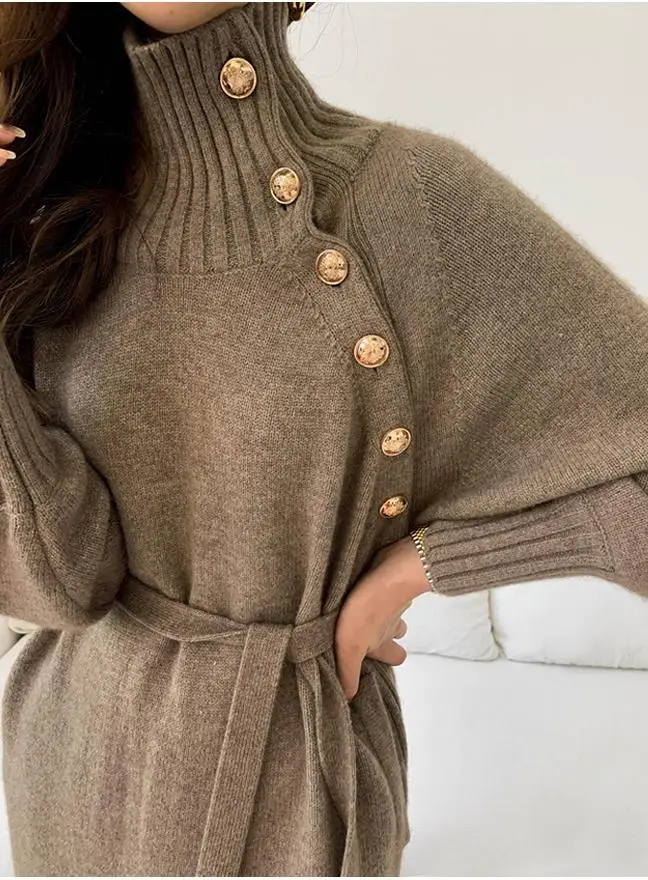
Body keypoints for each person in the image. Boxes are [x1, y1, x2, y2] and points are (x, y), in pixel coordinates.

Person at [0, 1, 647, 876]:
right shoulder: (49, 206)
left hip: (294, 796)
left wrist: (430, 564)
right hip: (66, 777)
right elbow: (59, 582)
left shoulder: (409, 200)